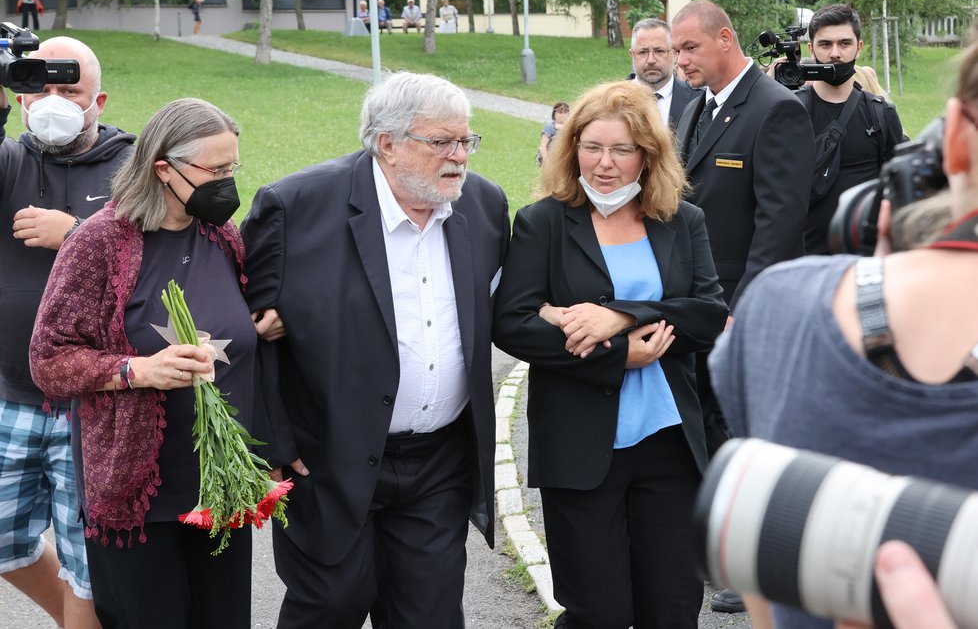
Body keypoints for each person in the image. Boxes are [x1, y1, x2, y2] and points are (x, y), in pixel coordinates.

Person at [708, 30, 978, 629]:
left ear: (956, 138)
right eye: (823, 44)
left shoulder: (781, 313)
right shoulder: (793, 104)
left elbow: (764, 575)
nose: (833, 56)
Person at [240, 72, 510, 628]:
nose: (459, 156)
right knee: (330, 607)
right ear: (386, 143)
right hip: (327, 457)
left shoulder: (482, 206)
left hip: (438, 460)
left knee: (429, 615)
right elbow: (249, 336)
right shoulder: (296, 206)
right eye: (441, 142)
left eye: (466, 141)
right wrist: (274, 442)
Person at [493, 80, 728, 629]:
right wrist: (615, 354)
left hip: (669, 444)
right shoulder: (542, 222)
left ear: (648, 155)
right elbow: (513, 323)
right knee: (598, 611)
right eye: (592, 147)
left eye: (622, 150)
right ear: (570, 146)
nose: (605, 163)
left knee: (671, 609)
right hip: (581, 449)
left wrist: (623, 315)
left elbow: (708, 313)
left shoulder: (680, 219)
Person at [30, 98, 254, 628]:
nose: (227, 182)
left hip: (218, 485)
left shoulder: (223, 238)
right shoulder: (99, 242)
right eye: (215, 171)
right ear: (164, 168)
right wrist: (137, 370)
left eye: (232, 168)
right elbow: (49, 359)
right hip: (135, 494)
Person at [670, 0, 815, 614]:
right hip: (694, 302)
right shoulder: (692, 106)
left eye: (689, 50)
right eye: (676, 52)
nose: (679, 62)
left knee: (747, 436)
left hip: (739, 309)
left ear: (725, 39)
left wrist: (741, 310)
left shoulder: (777, 110)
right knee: (703, 427)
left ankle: (753, 565)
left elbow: (779, 224)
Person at [0, 36, 133, 629]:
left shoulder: (133, 168)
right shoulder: (10, 161)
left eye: (70, 90)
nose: (53, 101)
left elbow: (165, 260)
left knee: (88, 558)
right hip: (10, 397)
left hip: (93, 403)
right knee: (5, 542)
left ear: (98, 100)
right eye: (40, 89)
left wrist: (77, 232)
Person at [797, 4, 904, 255]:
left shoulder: (881, 113)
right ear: (811, 49)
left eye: (845, 43)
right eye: (825, 44)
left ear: (859, 46)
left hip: (864, 257)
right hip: (803, 259)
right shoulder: (790, 110)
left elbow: (897, 189)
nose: (835, 53)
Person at [628, 18, 697, 129]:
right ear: (632, 55)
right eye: (643, 52)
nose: (651, 60)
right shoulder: (613, 101)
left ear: (675, 54)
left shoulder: (698, 101)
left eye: (659, 51)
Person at [536, 101, 569, 166]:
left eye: (565, 112)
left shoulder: (569, 127)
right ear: (554, 114)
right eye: (560, 112)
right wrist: (547, 161)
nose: (563, 115)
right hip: (551, 159)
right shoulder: (550, 127)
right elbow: (543, 146)